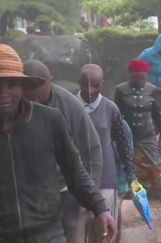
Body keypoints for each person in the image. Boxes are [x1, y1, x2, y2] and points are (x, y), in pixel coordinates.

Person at [0, 43, 117, 243]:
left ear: (23, 86)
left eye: (11, 85)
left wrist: (99, 207)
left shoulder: (49, 119)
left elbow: (74, 169)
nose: (4, 93)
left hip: (48, 233)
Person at [22, 60, 104, 243]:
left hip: (66, 185)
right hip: (31, 188)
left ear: (51, 80)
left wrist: (92, 194)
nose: (35, 102)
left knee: (71, 230)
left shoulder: (70, 106)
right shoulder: (14, 107)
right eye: (30, 97)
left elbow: (92, 148)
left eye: (39, 96)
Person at [114, 59, 161, 233]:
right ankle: (136, 220)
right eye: (136, 77)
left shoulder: (152, 90)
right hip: (129, 141)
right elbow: (116, 118)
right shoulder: (120, 90)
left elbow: (157, 116)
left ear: (146, 75)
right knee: (131, 180)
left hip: (149, 140)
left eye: (142, 77)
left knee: (159, 178)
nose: (139, 80)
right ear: (131, 76)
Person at [77, 64, 137, 242]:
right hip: (76, 181)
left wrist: (130, 174)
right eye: (86, 85)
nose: (90, 90)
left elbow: (123, 143)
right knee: (77, 233)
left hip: (105, 179)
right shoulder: (70, 106)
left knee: (103, 233)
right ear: (79, 82)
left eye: (96, 85)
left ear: (102, 83)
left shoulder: (111, 109)